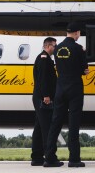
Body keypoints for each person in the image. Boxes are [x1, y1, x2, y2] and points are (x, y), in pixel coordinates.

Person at [44, 23, 88, 168]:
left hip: (60, 87)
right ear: (77, 33)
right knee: (74, 123)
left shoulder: (57, 49)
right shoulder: (78, 48)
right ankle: (74, 159)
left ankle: (49, 158)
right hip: (74, 87)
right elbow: (85, 70)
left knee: (55, 123)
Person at [31, 37, 57, 166]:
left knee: (39, 128)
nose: (55, 48)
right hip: (43, 98)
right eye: (54, 45)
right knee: (47, 127)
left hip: (39, 97)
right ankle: (50, 158)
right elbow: (43, 79)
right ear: (48, 46)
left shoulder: (44, 58)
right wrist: (46, 96)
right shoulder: (44, 59)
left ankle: (36, 157)